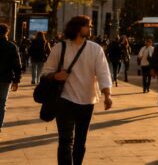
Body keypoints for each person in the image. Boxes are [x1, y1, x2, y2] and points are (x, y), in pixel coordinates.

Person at [41, 16, 112, 165]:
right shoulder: (60, 48)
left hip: (87, 100)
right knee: (65, 141)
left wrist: (107, 95)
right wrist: (56, 76)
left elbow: (103, 73)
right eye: (88, 25)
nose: (91, 28)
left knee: (80, 141)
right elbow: (45, 72)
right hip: (64, 100)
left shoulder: (95, 49)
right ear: (78, 28)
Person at [0, 24, 21, 133]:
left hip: (5, 77)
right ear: (6, 33)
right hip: (5, 78)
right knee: (2, 102)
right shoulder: (11, 46)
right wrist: (17, 80)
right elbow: (17, 65)